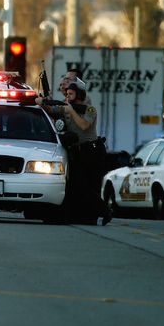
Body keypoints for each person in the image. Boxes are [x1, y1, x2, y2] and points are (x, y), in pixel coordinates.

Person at [60, 80, 111, 226]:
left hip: (91, 151)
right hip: (76, 152)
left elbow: (83, 126)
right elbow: (52, 110)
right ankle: (80, 216)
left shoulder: (90, 110)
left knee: (88, 186)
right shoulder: (68, 107)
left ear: (79, 95)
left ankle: (104, 211)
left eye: (71, 94)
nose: (67, 97)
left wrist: (71, 111)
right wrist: (42, 101)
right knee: (75, 185)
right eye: (67, 94)